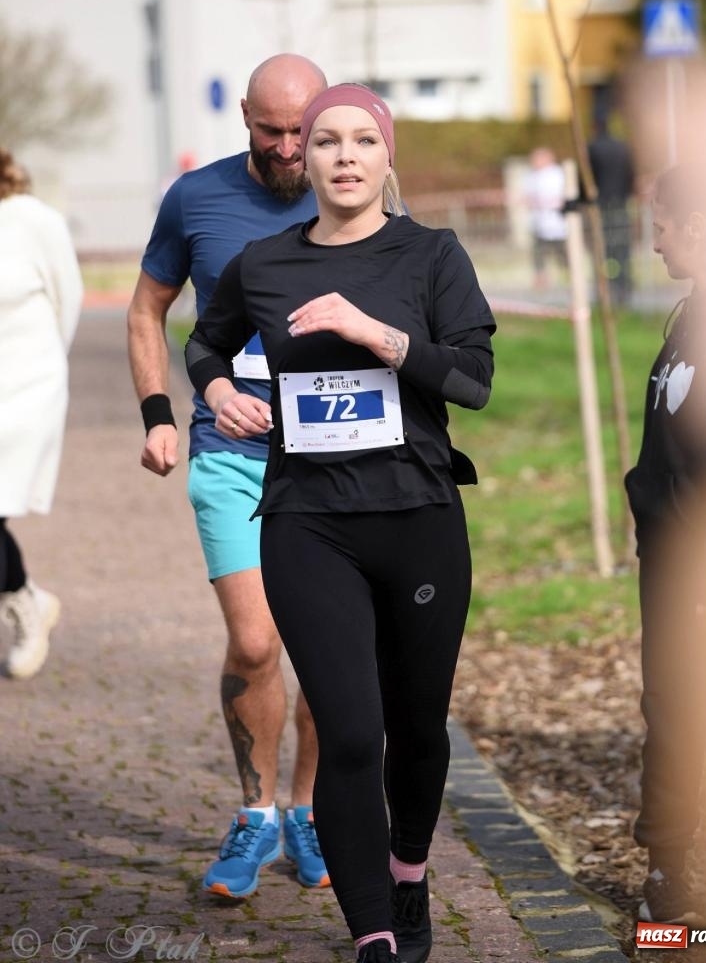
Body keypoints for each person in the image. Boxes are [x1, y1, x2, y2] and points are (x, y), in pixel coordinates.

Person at [185, 83, 495, 963]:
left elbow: (473, 381)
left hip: (418, 518)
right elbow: (204, 341)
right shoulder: (264, 264)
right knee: (352, 731)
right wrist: (218, 390)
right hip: (308, 523)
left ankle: (408, 872)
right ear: (304, 156)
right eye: (327, 141)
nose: (345, 155)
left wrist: (375, 334)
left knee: (417, 727)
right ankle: (372, 931)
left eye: (363, 139)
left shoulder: (430, 254)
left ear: (387, 155)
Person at [127, 54, 330, 897]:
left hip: (333, 457)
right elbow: (147, 310)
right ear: (244, 114)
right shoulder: (195, 198)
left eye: (300, 132)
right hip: (230, 450)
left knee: (325, 647)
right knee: (254, 641)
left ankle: (307, 813)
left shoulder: (357, 187)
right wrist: (158, 414)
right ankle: (255, 816)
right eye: (269, 130)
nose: (286, 149)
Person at [624, 165, 706, 925]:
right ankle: (667, 874)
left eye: (661, 227)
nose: (653, 243)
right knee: (673, 708)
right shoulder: (692, 315)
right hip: (669, 560)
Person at [0, 149, 83, 678]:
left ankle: (25, 603)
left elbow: (67, 302)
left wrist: (49, 373)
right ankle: (26, 597)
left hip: (25, 388)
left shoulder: (33, 220)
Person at [588, 120, 634, 305]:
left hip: (601, 208)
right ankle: (623, 288)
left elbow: (588, 178)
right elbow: (630, 175)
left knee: (603, 251)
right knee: (621, 250)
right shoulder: (622, 147)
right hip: (621, 205)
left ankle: (605, 291)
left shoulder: (592, 148)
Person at [521, 146, 567, 290]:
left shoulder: (558, 174)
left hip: (558, 223)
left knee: (562, 252)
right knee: (539, 254)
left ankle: (568, 275)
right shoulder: (531, 176)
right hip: (539, 222)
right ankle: (541, 278)